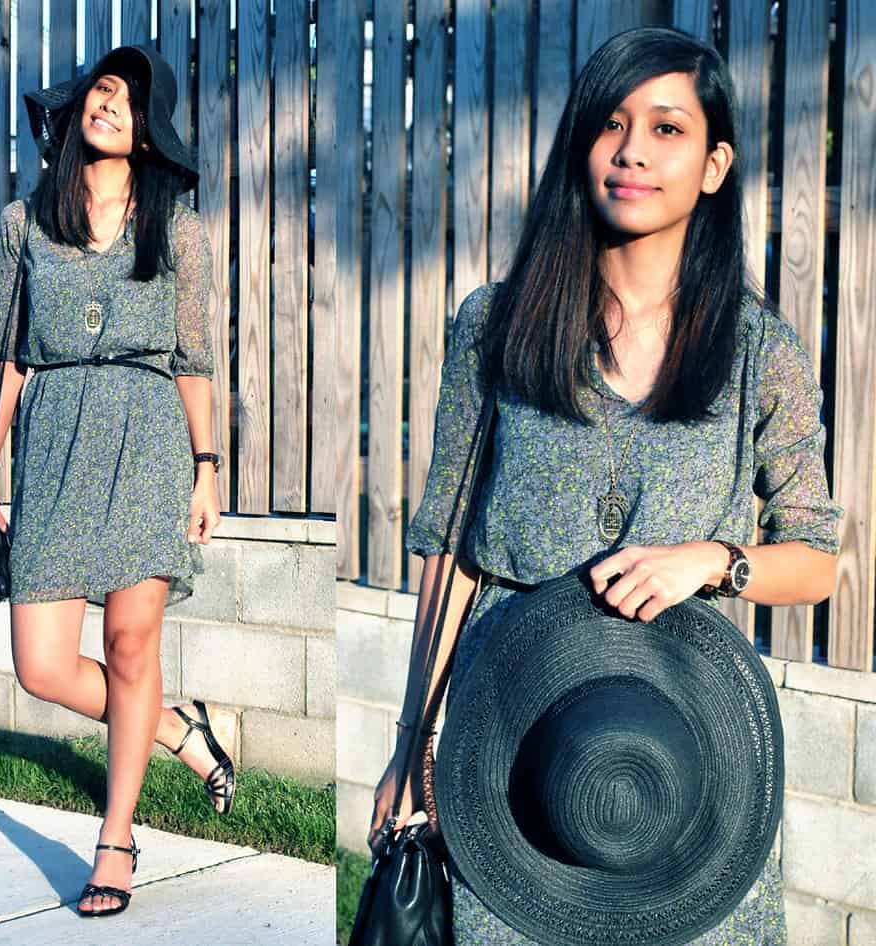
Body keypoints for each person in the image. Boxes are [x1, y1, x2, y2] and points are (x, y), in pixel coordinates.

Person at [368, 26, 842, 945]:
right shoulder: (495, 328)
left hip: (684, 763)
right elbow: (451, 553)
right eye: (612, 124)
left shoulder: (759, 353)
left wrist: (712, 560)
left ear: (714, 166)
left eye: (668, 129)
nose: (632, 151)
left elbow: (818, 561)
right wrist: (409, 747)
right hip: (505, 751)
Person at [0, 46, 234, 918]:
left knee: (129, 645)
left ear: (149, 135)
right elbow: (3, 357)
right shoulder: (23, 224)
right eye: (101, 90)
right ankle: (175, 728)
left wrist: (206, 468)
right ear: (78, 111)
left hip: (146, 436)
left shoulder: (177, 229)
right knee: (39, 665)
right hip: (54, 439)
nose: (109, 103)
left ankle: (115, 841)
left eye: (128, 99)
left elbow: (194, 359)